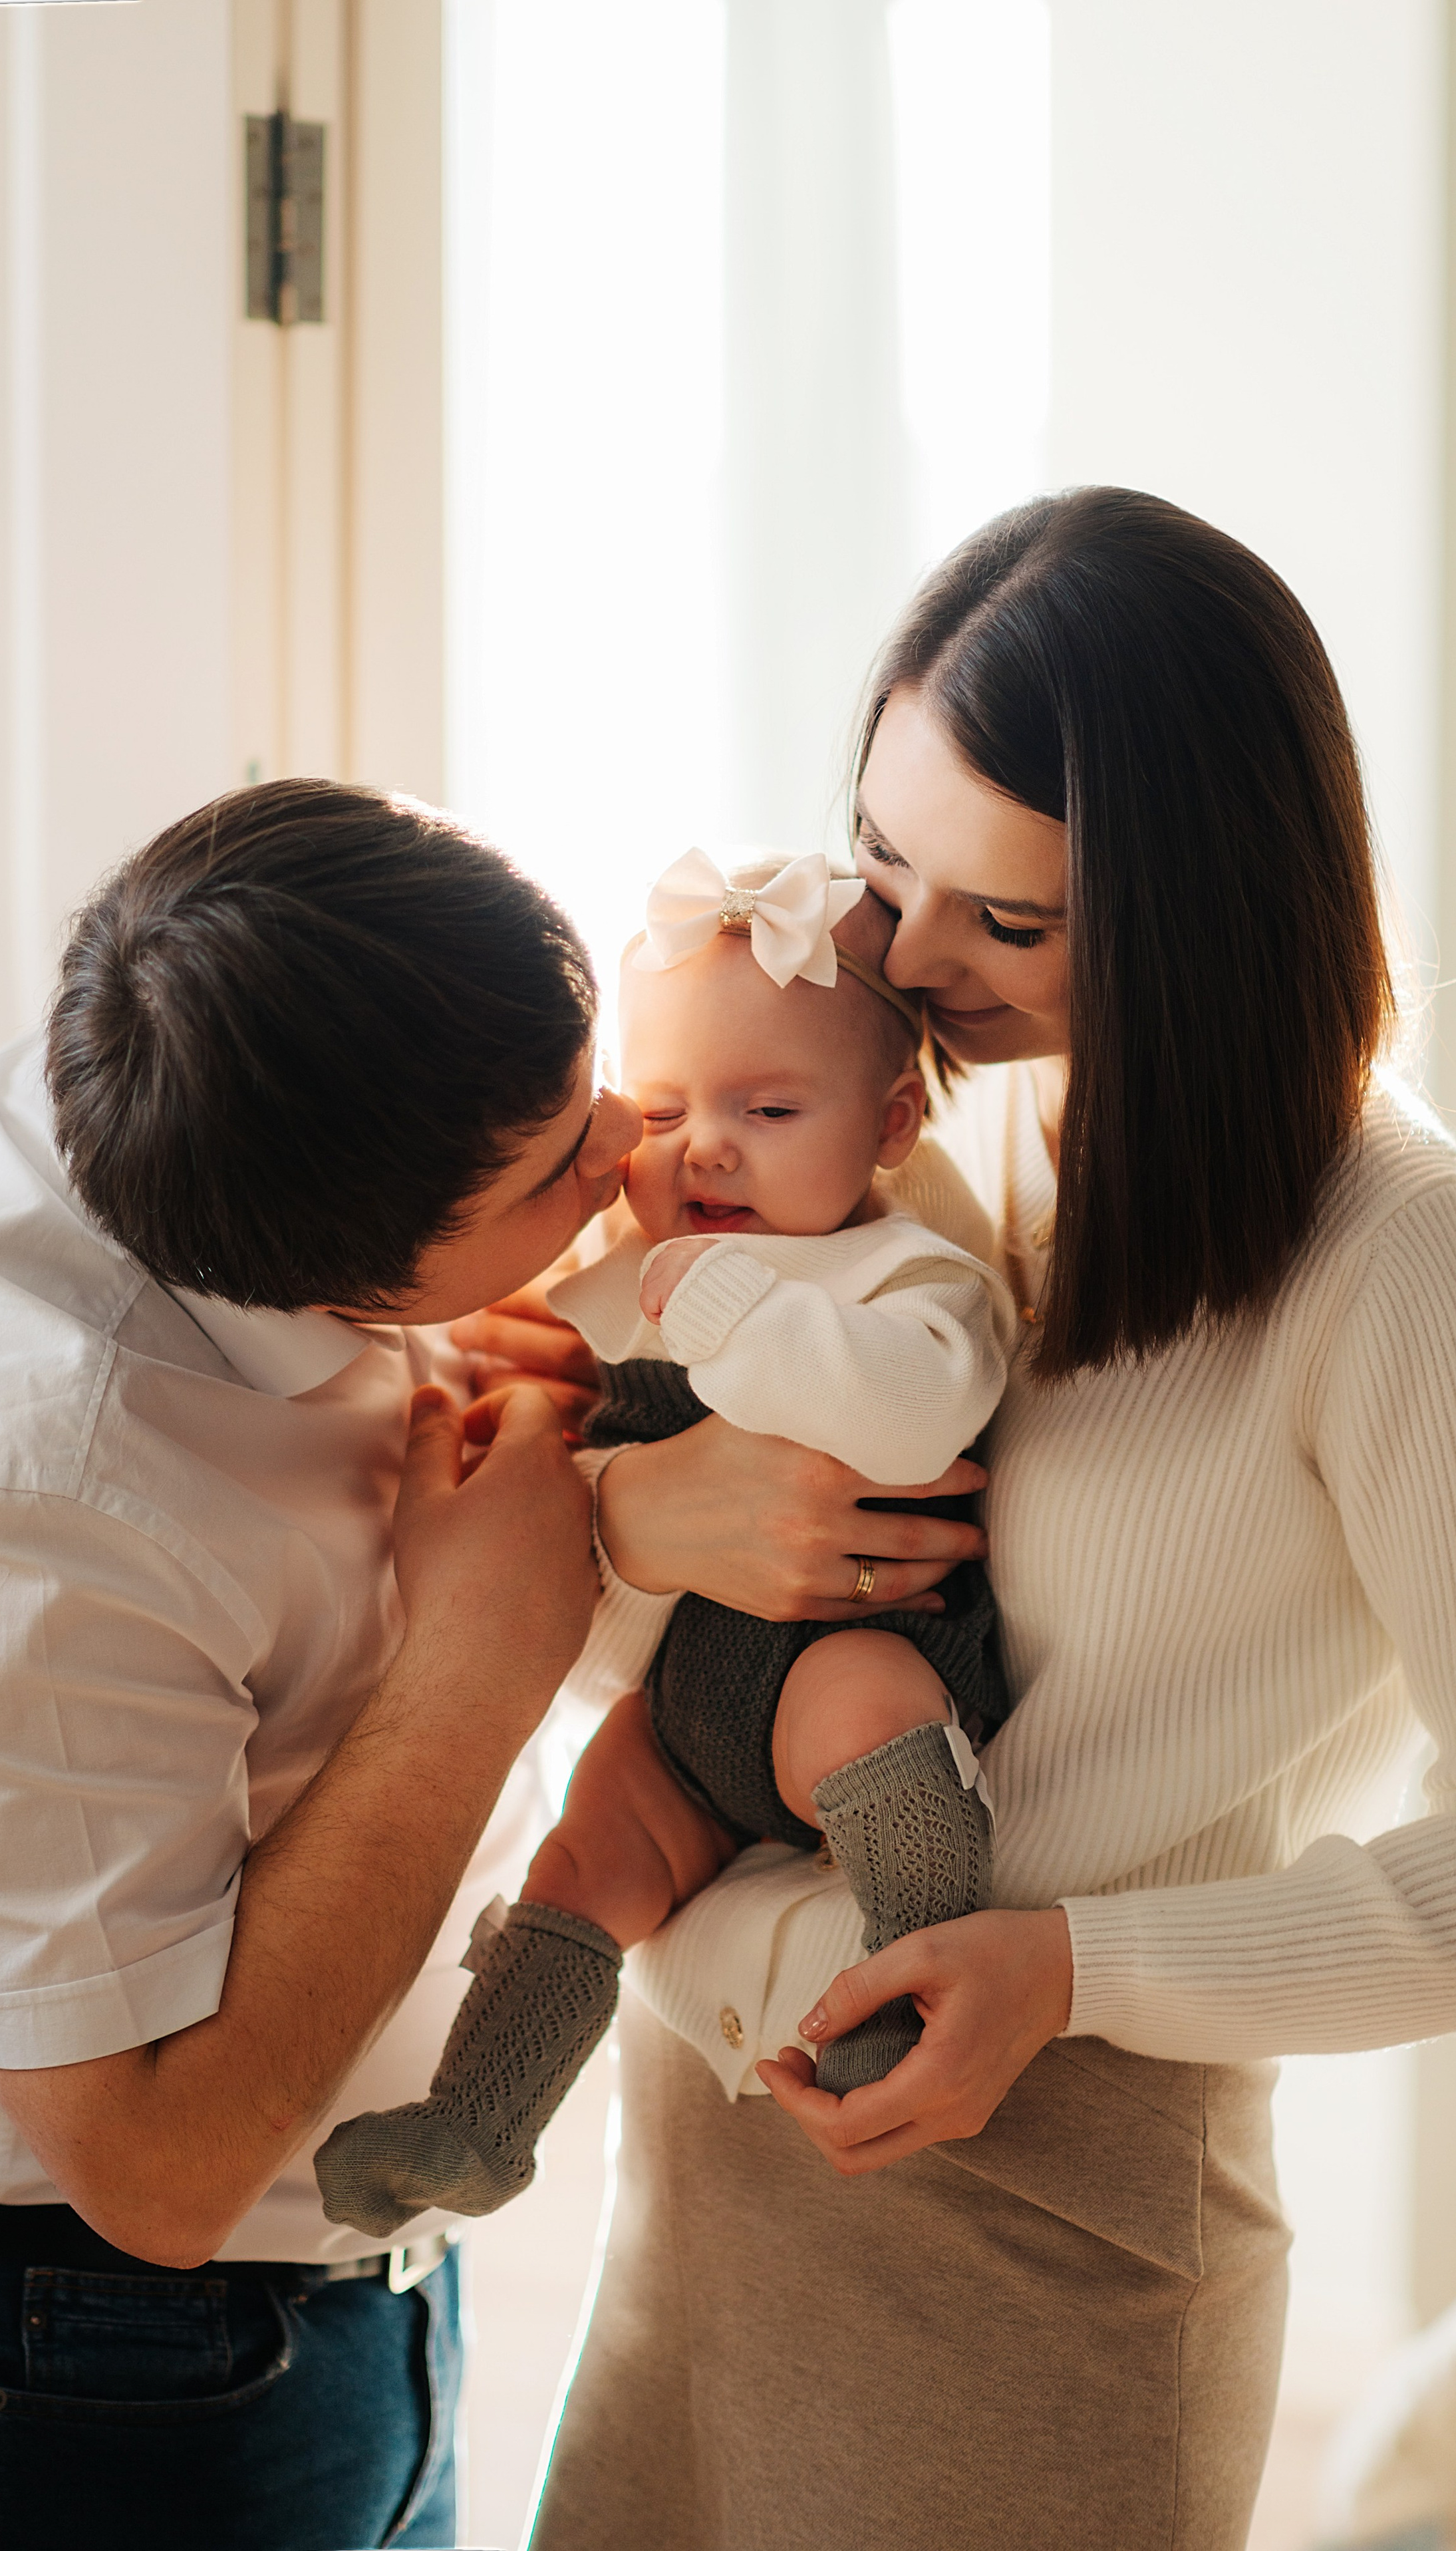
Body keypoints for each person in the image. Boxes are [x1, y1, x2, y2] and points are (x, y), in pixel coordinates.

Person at [498, 490, 1456, 2551]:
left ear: (1200, 919)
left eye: (1009, 923)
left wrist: (1074, 1967)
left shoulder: (1407, 1270)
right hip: (711, 2159)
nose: (908, 965)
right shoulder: (889, 1107)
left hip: (1034, 2216)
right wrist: (644, 1519)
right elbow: (638, 1608)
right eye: (890, 859)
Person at [0, 780, 647, 2550]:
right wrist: (482, 1658)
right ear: (336, 1267)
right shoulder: (35, 1514)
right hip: (117, 2364)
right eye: (556, 1168)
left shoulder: (197, 1045)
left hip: (361, 2272)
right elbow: (153, 2175)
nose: (624, 1141)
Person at [315, 851, 1017, 2239]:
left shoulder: (913, 1276)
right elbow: (509, 1425)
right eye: (668, 1107)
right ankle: (477, 2118)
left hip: (857, 1656)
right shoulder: (616, 1282)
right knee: (585, 1843)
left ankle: (910, 1984)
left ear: (887, 1126)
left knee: (868, 1711)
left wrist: (724, 1307)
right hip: (688, 1706)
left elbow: (917, 1409)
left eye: (766, 1109)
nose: (705, 1147)